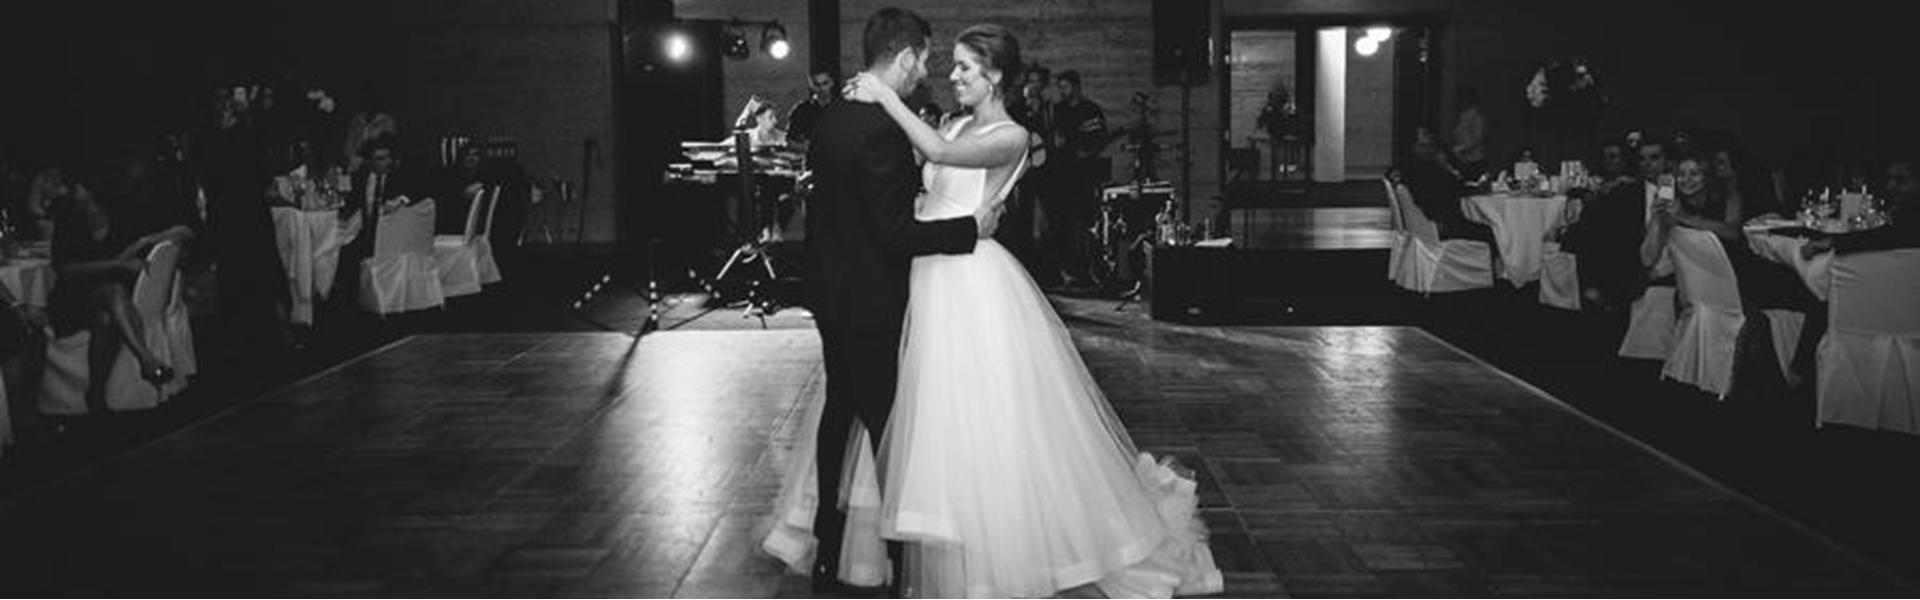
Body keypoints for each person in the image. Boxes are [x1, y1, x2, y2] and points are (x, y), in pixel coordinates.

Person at [770, 18, 1223, 598]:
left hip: (968, 279)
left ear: (997, 76)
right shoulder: (955, 121)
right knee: (913, 413)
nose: (952, 75)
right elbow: (916, 181)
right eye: (950, 63)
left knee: (970, 412)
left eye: (965, 67)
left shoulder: (1014, 136)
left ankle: (976, 542)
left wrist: (884, 95)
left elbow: (936, 152)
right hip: (919, 272)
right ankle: (908, 535)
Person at [769, 8, 1000, 594]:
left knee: (839, 411)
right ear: (904, 57)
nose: (927, 71)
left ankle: (827, 548)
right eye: (924, 59)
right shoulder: (883, 132)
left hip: (828, 290)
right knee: (887, 428)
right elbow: (895, 235)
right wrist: (969, 230)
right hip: (871, 298)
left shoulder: (832, 118)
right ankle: (900, 562)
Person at [48, 158, 194, 412]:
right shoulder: (69, 220)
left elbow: (185, 232)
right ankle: (147, 360)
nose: (70, 193)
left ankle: (96, 394)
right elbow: (66, 272)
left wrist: (144, 242)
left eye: (76, 188)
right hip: (74, 299)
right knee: (112, 292)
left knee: (106, 317)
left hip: (114, 303)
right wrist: (117, 265)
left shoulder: (119, 214)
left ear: (90, 188)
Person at [786, 70, 836, 146]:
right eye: (817, 84)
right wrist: (803, 148)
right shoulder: (802, 110)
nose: (822, 88)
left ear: (832, 83)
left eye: (825, 83)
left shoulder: (841, 109)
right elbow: (790, 140)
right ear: (812, 85)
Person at [1451, 87, 1489, 181]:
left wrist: (1461, 149)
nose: (1462, 100)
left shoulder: (1476, 116)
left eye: (1465, 97)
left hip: (1475, 160)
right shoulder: (1463, 115)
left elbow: (1478, 139)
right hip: (1463, 160)